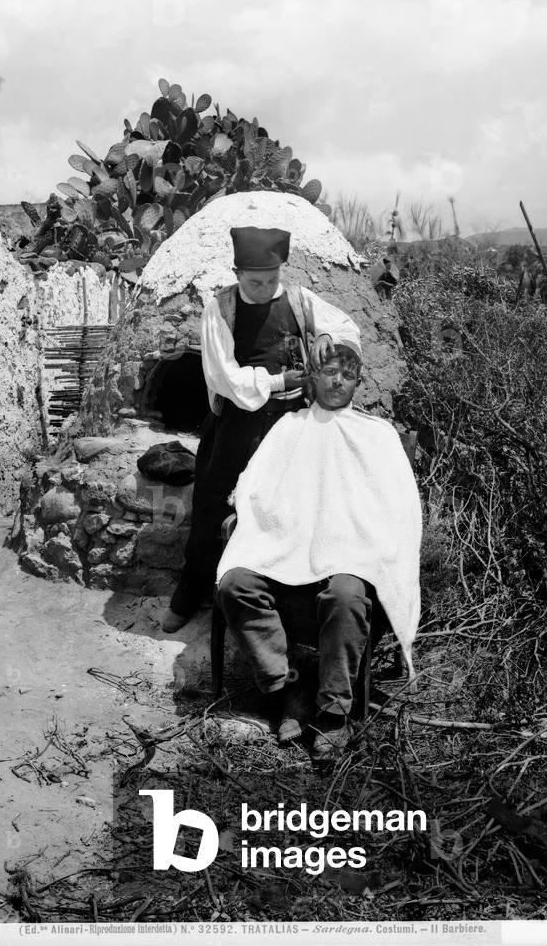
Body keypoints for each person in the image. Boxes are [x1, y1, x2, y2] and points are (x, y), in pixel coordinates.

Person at [215, 344, 422, 761]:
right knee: (235, 582)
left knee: (346, 595)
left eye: (346, 376)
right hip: (288, 545)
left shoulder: (376, 435)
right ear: (314, 376)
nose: (336, 381)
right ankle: (289, 687)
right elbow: (258, 482)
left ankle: (332, 713)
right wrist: (248, 508)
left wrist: (372, 543)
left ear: (358, 383)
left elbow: (399, 503)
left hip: (352, 551)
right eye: (328, 372)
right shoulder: (291, 427)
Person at [161, 225, 360, 633]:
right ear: (237, 273)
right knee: (214, 507)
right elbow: (225, 379)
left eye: (272, 278)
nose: (265, 286)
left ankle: (279, 601)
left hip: (291, 427)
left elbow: (347, 329)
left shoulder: (300, 299)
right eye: (255, 280)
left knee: (289, 507)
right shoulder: (220, 309)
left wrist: (325, 335)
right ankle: (191, 592)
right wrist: (276, 382)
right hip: (238, 425)